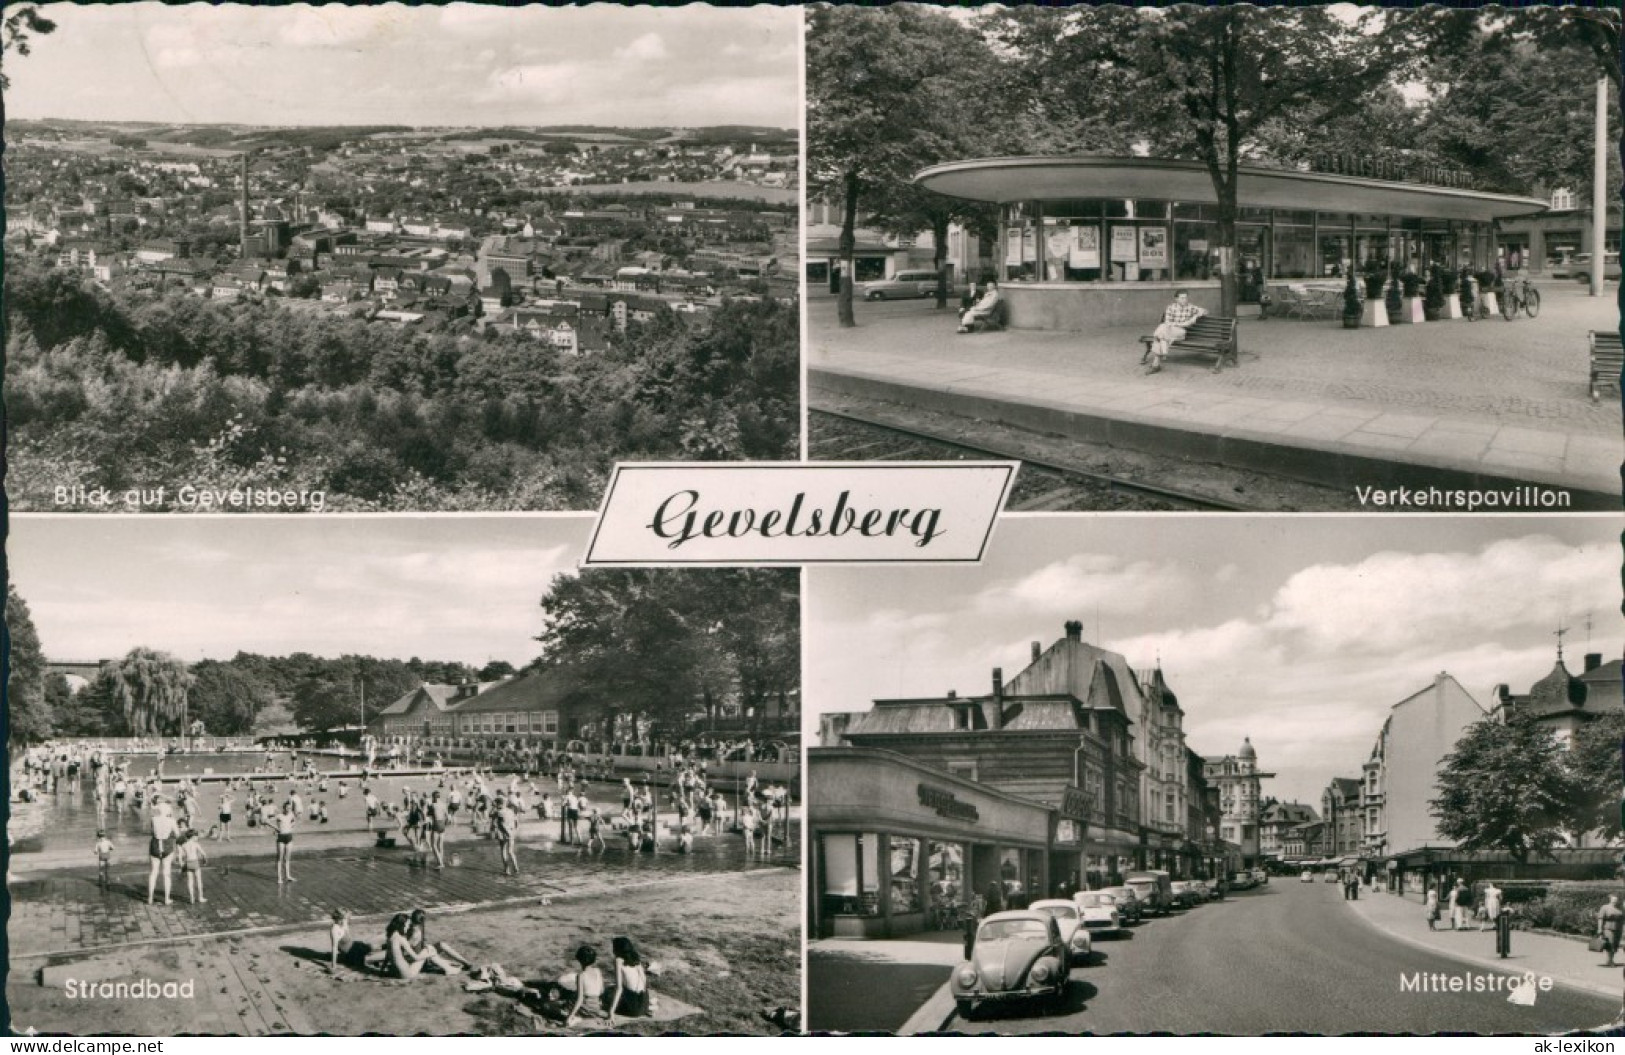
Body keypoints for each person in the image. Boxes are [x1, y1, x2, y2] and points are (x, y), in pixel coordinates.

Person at [1145, 290, 1206, 374]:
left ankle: (1161, 355)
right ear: (1176, 299)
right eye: (1182, 298)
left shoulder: (1190, 307)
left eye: (1186, 298)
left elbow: (1204, 311)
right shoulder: (1171, 307)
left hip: (1180, 333)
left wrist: (1195, 317)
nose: (1184, 300)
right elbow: (1168, 322)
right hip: (1169, 331)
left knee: (1160, 333)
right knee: (1162, 333)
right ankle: (1156, 364)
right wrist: (1184, 323)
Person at [384, 913, 456, 980]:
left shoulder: (390, 936)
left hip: (396, 973)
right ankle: (449, 969)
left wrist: (382, 968)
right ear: (401, 925)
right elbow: (416, 957)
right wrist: (430, 954)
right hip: (407, 974)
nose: (408, 927)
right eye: (407, 925)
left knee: (427, 950)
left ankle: (448, 967)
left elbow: (388, 955)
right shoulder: (401, 939)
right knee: (429, 950)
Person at [605, 936, 653, 1025]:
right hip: (644, 1005)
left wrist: (610, 1013)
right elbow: (644, 981)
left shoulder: (618, 960)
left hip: (633, 1009)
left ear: (617, 950)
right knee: (612, 989)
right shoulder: (636, 959)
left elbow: (619, 988)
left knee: (606, 994)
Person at [147, 796, 178, 905]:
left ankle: (150, 898)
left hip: (155, 845)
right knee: (166, 873)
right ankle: (166, 899)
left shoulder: (153, 819)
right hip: (167, 845)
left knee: (153, 873)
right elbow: (177, 835)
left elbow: (151, 831)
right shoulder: (171, 821)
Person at [177, 828, 208, 904]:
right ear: (193, 837)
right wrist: (204, 860)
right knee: (198, 880)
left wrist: (181, 864)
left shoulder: (184, 845)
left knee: (190, 881)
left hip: (188, 863)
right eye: (196, 836)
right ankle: (200, 897)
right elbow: (203, 854)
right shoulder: (196, 844)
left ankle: (191, 898)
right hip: (195, 863)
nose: (197, 838)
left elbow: (180, 856)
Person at [272, 800, 297, 884]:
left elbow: (294, 822)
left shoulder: (291, 814)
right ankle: (279, 878)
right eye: (287, 808)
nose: (289, 809)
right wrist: (275, 829)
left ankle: (288, 876)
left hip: (289, 837)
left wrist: (291, 827)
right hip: (281, 838)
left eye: (290, 808)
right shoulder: (279, 816)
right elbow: (270, 823)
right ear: (284, 808)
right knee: (280, 858)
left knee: (287, 858)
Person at [493, 796, 519, 876]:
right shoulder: (510, 811)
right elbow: (516, 821)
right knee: (511, 851)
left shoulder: (499, 812)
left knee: (503, 850)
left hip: (503, 833)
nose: (497, 806)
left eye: (497, 804)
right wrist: (514, 829)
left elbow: (498, 823)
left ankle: (507, 869)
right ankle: (516, 867)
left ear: (499, 804)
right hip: (511, 832)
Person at [1598, 895, 1625, 967]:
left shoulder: (1619, 909)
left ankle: (1610, 960)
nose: (1615, 902)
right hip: (1608, 928)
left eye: (1616, 900)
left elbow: (1622, 919)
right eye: (1613, 900)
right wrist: (1600, 929)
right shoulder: (1605, 907)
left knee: (1616, 945)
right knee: (1610, 944)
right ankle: (1610, 960)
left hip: (1618, 929)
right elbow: (1600, 918)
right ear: (1610, 900)